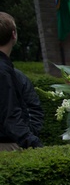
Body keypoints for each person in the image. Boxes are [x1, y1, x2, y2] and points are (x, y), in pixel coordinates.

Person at [0, 12, 41, 150]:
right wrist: (32, 141)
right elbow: (10, 115)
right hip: (7, 144)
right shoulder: (3, 72)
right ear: (14, 35)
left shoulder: (8, 71)